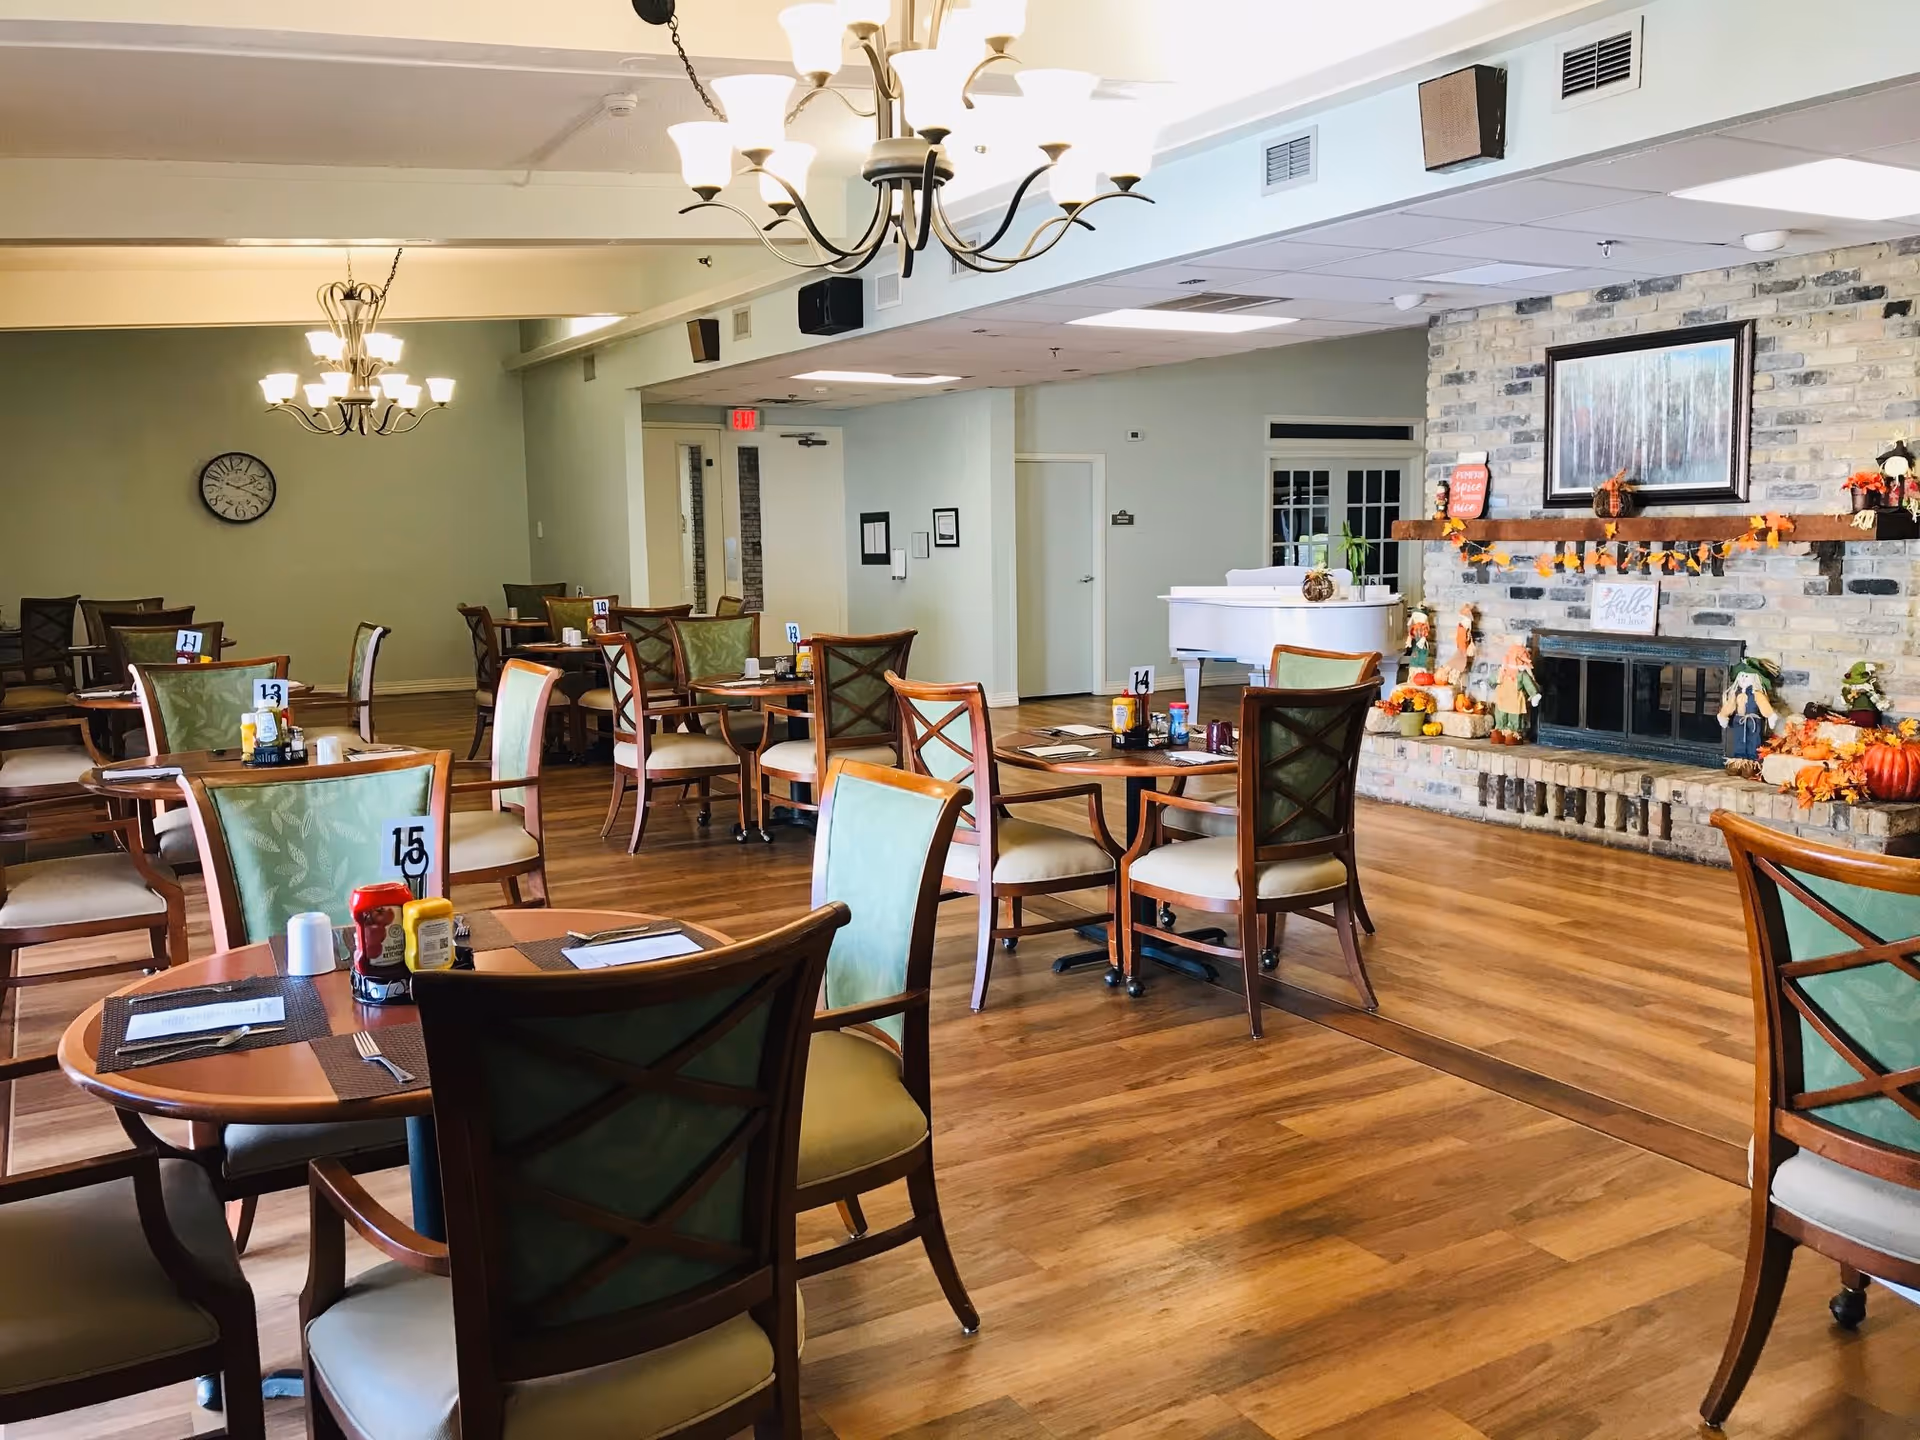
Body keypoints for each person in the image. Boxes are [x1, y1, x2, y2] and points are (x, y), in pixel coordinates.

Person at [1718, 657, 1782, 771]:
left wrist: (1770, 716)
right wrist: (1723, 715)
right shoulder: (1735, 693)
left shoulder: (1756, 693)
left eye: (1746, 676)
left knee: (1753, 741)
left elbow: (1763, 704)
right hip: (1739, 720)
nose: (1743, 679)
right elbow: (1730, 705)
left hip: (1753, 722)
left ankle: (1752, 764)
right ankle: (1738, 762)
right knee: (1738, 740)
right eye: (1741, 676)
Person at [1490, 642, 1540, 744]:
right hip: (1513, 701)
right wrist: (1534, 694)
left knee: (1502, 714)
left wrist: (1490, 683)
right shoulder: (1520, 674)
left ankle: (1500, 732)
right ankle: (1511, 734)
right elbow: (1529, 684)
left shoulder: (1502, 672)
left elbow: (1492, 680)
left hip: (1502, 699)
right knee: (1514, 717)